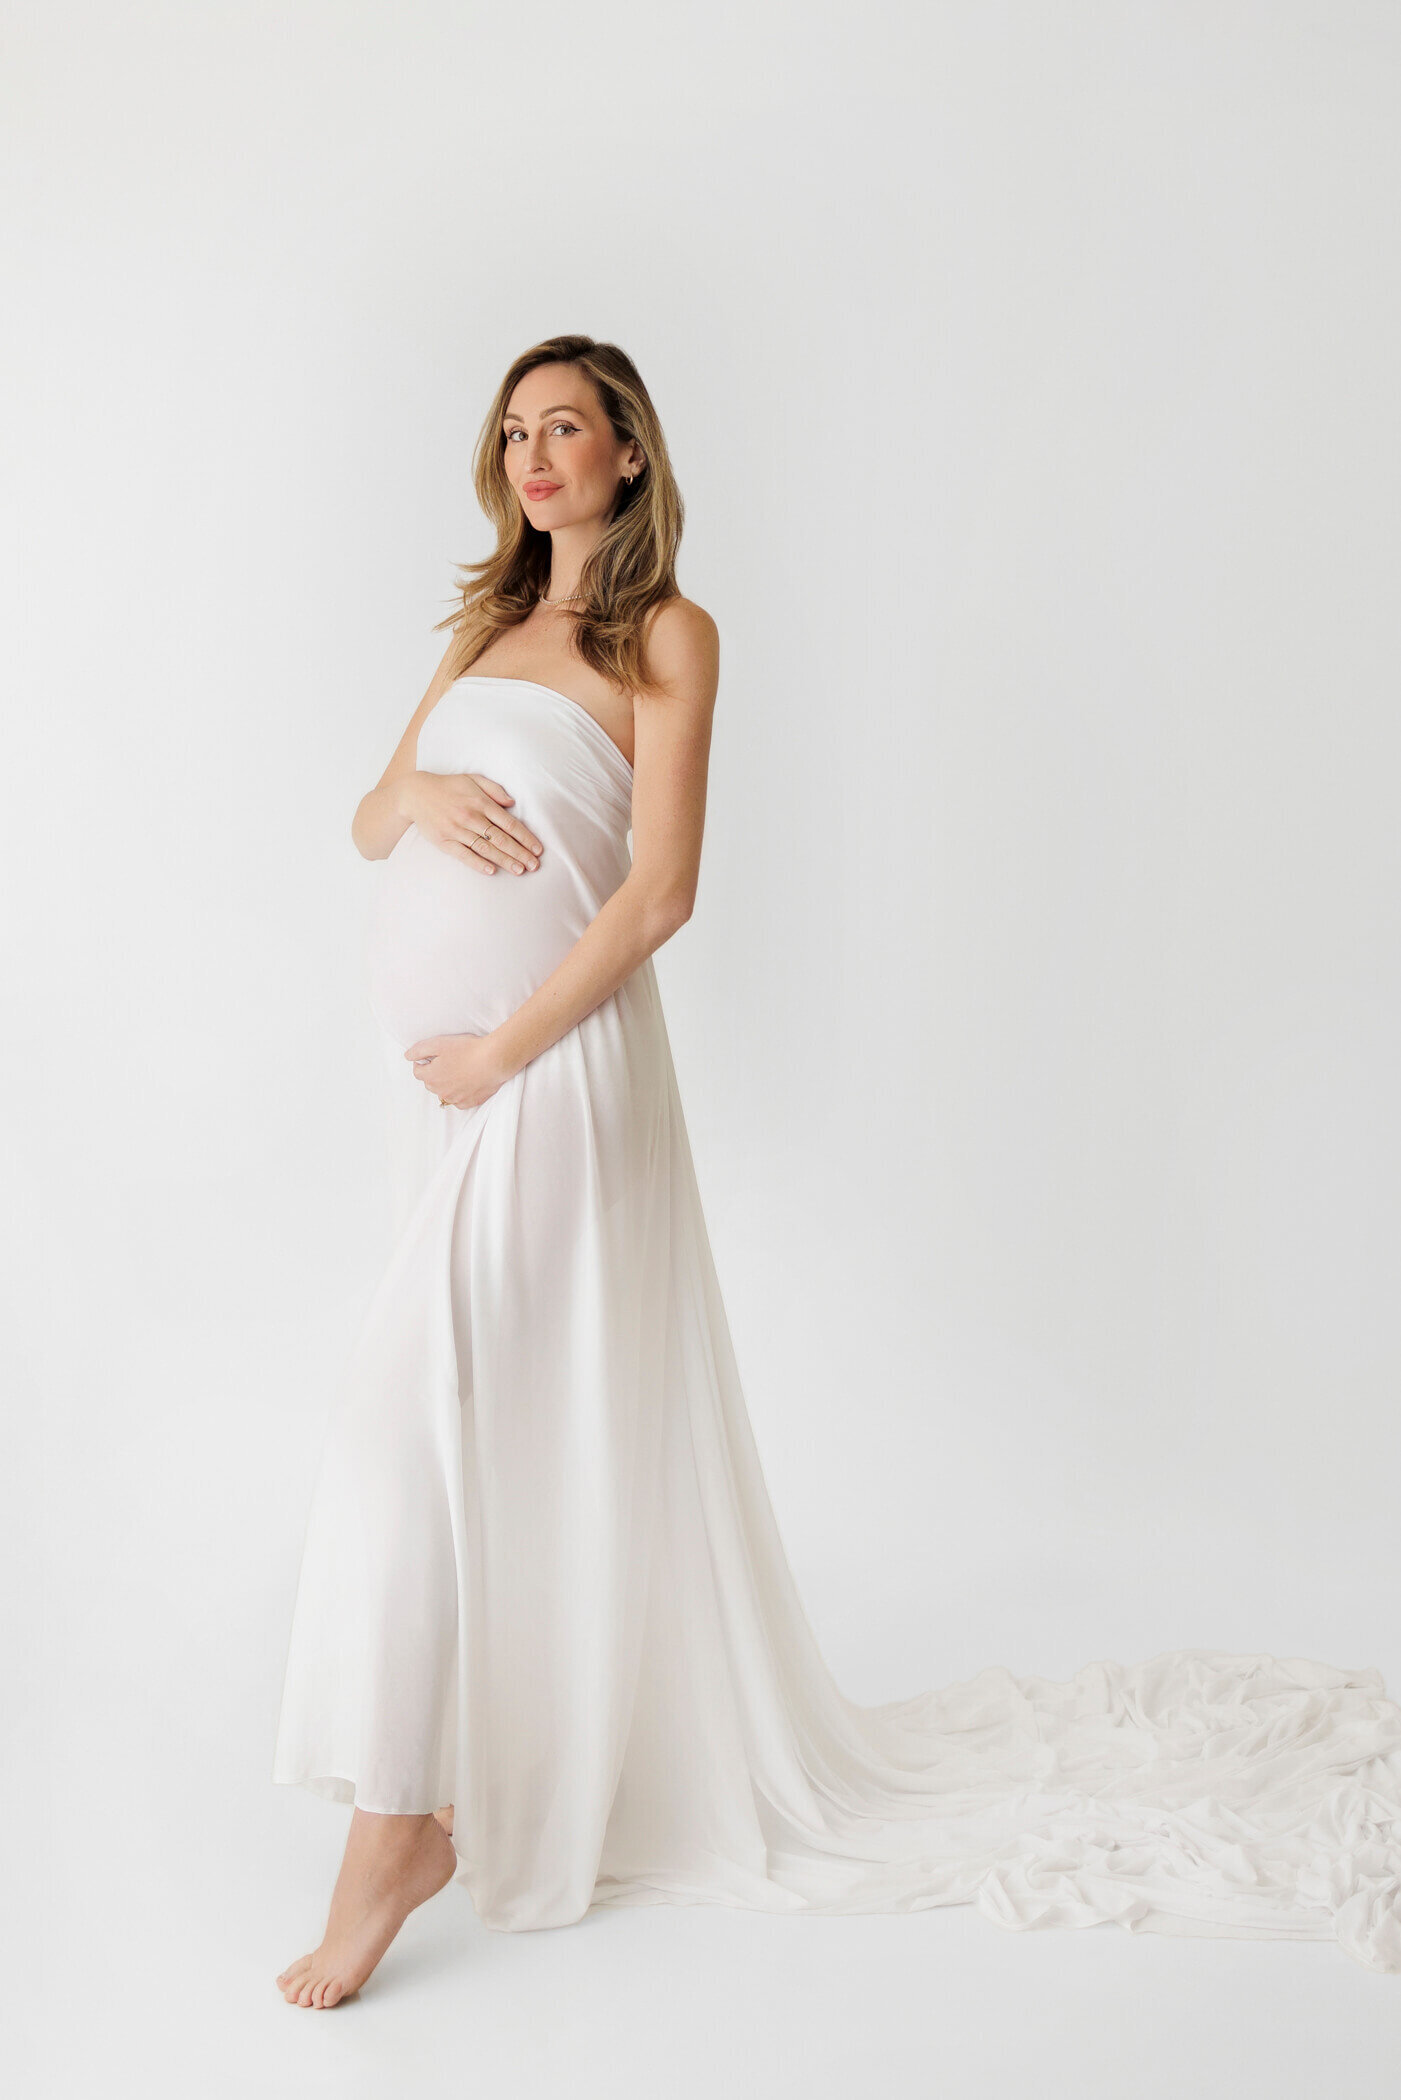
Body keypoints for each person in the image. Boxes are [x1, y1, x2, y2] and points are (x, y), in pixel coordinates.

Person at [274, 335, 1401, 2010]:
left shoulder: (664, 632)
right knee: (451, 1429)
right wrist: (416, 784)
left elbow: (658, 893)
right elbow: (368, 824)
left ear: (631, 454)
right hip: (436, 1095)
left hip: (548, 1074)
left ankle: (394, 1832)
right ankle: (449, 1779)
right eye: (513, 429)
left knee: (407, 1426)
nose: (532, 453)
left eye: (565, 427)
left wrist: (506, 1050)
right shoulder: (478, 624)